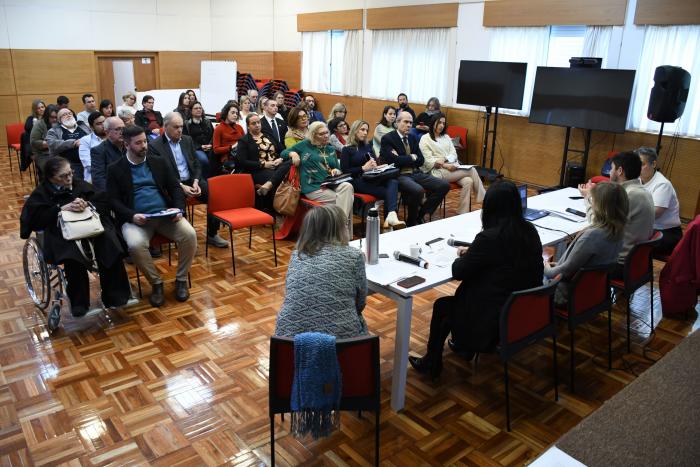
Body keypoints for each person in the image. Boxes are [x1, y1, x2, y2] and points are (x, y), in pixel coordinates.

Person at [409, 181, 544, 378]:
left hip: (493, 318)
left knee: (443, 307)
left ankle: (432, 362)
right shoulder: (529, 230)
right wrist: (475, 252)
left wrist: (470, 254)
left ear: (490, 208)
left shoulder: (489, 238)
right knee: (458, 303)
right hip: (521, 312)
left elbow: (458, 271)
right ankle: (463, 347)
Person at [20, 157, 131, 317]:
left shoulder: (79, 184)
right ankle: (79, 303)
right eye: (63, 176)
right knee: (73, 256)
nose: (69, 178)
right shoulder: (42, 193)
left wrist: (87, 203)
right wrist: (60, 208)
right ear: (51, 178)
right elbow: (36, 219)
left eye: (70, 173)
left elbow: (103, 201)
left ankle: (115, 296)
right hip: (63, 233)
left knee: (110, 244)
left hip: (90, 227)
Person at [107, 125, 197, 307]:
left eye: (145, 141)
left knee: (190, 234)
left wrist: (179, 209)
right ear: (126, 144)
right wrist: (132, 216)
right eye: (138, 143)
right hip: (136, 219)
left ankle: (180, 280)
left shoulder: (158, 161)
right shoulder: (115, 168)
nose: (144, 146)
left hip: (165, 216)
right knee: (135, 244)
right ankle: (156, 283)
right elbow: (113, 201)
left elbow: (174, 187)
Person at [275, 204, 368, 338]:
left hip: (288, 343)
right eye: (346, 224)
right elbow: (360, 303)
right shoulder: (355, 256)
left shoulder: (297, 255)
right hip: (343, 344)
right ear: (338, 229)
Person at [149, 112, 228, 248]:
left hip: (191, 180)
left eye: (181, 126)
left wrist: (196, 181)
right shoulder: (155, 146)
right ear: (166, 126)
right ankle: (185, 239)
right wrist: (180, 186)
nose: (180, 130)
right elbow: (160, 174)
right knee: (178, 198)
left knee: (214, 195)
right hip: (172, 184)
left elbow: (196, 164)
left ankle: (212, 234)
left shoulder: (187, 140)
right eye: (176, 127)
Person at [546, 182, 629, 305]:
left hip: (566, 295)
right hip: (594, 294)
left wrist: (545, 268)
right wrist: (557, 265)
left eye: (592, 200)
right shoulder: (619, 230)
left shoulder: (593, 236)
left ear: (601, 207)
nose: (591, 203)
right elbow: (583, 266)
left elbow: (563, 273)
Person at [579, 151, 654, 279]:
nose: (609, 172)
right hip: (636, 262)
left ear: (620, 171)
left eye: (612, 168)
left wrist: (588, 197)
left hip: (619, 264)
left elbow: (597, 225)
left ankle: (560, 289)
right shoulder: (643, 192)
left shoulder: (627, 195)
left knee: (577, 243)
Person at [281, 121, 355, 237]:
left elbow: (338, 168)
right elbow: (284, 153)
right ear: (313, 135)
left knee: (348, 187)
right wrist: (293, 154)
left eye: (326, 133)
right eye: (321, 134)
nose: (325, 136)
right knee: (345, 199)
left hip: (330, 184)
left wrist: (336, 170)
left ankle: (338, 228)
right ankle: (342, 232)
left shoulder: (330, 149)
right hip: (312, 186)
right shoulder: (305, 145)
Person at [380, 111, 449, 226]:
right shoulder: (388, 138)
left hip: (415, 173)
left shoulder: (412, 137)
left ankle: (420, 215)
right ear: (397, 123)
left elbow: (421, 160)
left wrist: (405, 158)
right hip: (400, 175)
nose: (409, 125)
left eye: (411, 123)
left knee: (444, 185)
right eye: (405, 122)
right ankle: (412, 221)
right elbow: (393, 161)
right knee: (418, 190)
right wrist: (412, 157)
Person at [340, 120, 405, 229]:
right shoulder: (347, 149)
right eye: (362, 130)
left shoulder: (368, 145)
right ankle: (390, 221)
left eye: (366, 130)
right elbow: (345, 171)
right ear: (355, 130)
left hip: (372, 177)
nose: (365, 133)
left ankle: (390, 218)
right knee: (389, 192)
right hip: (357, 181)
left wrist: (377, 166)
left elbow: (374, 162)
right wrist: (362, 168)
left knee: (393, 181)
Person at [419, 113, 486, 214]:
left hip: (452, 168)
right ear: (433, 123)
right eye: (439, 122)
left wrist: (444, 159)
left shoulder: (446, 137)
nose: (441, 125)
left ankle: (463, 212)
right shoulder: (425, 139)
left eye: (443, 123)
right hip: (436, 172)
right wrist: (446, 164)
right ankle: (485, 199)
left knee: (468, 181)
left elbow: (454, 154)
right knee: (472, 170)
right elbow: (428, 161)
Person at [236, 113, 292, 202]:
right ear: (248, 126)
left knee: (291, 163)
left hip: (276, 165)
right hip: (258, 170)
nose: (257, 125)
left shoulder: (268, 135)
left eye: (258, 122)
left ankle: (269, 185)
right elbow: (242, 161)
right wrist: (263, 164)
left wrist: (280, 159)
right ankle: (276, 208)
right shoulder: (244, 140)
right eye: (253, 123)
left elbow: (282, 150)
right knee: (277, 177)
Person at [637, 146, 682, 255]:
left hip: (666, 234)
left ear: (654, 164)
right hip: (646, 228)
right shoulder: (637, 180)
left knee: (627, 242)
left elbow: (654, 214)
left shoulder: (662, 184)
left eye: (642, 164)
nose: (638, 168)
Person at [47, 108, 91, 180]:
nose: (68, 115)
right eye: (64, 114)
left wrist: (85, 141)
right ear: (59, 120)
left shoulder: (83, 126)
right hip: (68, 164)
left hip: (88, 160)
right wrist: (73, 143)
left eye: (70, 113)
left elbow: (93, 137)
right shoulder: (54, 131)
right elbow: (52, 144)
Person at [91, 117, 125, 192]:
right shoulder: (98, 150)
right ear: (107, 132)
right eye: (117, 129)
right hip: (113, 192)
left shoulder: (129, 146)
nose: (122, 132)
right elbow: (98, 179)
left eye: (123, 128)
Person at [184, 101, 214, 178]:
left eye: (200, 108)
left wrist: (210, 144)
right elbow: (187, 140)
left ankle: (214, 179)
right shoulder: (187, 124)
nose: (198, 110)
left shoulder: (207, 121)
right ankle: (204, 179)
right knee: (204, 160)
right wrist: (200, 146)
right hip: (196, 149)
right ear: (191, 111)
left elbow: (213, 135)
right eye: (196, 108)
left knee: (215, 158)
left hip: (210, 146)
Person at [212, 101, 245, 167]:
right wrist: (232, 147)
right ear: (226, 113)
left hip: (242, 154)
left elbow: (246, 142)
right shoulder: (219, 128)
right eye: (232, 113)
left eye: (236, 113)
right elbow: (216, 150)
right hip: (228, 158)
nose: (235, 115)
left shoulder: (239, 127)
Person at [30, 104, 58, 178]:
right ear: (46, 116)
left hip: (59, 152)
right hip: (43, 154)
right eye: (52, 117)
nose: (55, 119)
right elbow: (33, 142)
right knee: (52, 169)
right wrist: (48, 144)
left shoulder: (59, 123)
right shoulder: (39, 124)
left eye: (56, 117)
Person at [78, 112, 106, 182]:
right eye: (99, 124)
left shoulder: (114, 138)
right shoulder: (85, 140)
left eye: (104, 122)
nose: (103, 125)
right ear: (91, 127)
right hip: (94, 180)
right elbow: (89, 167)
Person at [21, 99, 45, 170]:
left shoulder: (49, 117)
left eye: (42, 107)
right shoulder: (31, 118)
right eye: (38, 108)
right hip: (35, 145)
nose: (41, 109)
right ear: (35, 110)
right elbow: (27, 128)